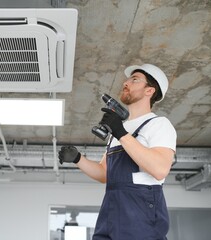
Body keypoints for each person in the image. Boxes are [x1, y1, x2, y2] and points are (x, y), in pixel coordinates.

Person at [58, 64, 177, 240]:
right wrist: (78, 159)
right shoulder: (119, 130)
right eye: (127, 79)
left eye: (134, 79)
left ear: (149, 91)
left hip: (140, 207)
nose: (126, 82)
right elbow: (105, 174)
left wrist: (120, 133)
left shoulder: (159, 124)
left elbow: (160, 170)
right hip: (111, 205)